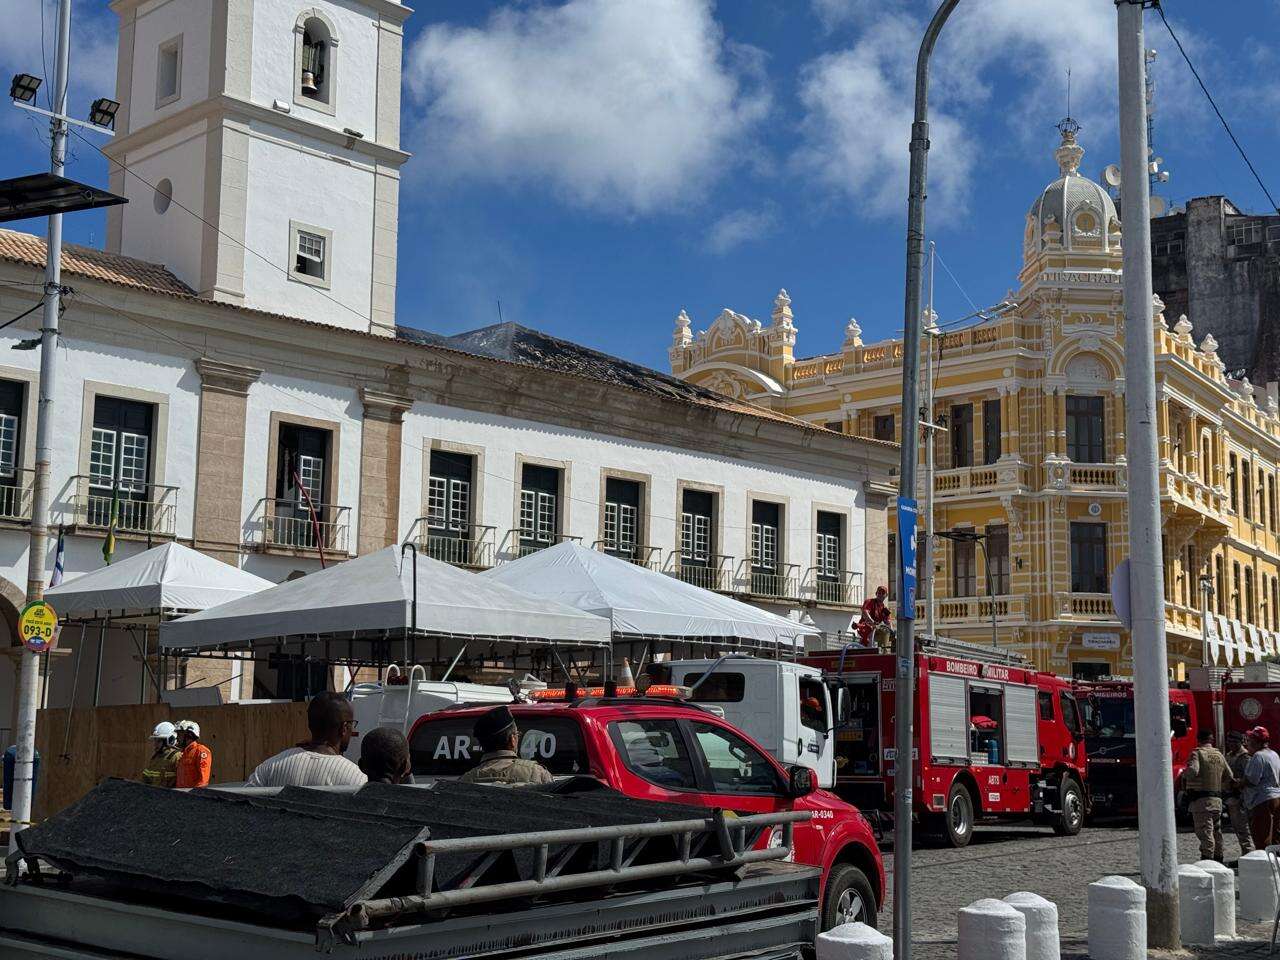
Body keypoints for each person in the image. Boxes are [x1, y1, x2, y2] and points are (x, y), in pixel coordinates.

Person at [246, 692, 367, 787]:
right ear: (344, 728)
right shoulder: (356, 779)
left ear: (310, 724)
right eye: (352, 724)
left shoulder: (269, 767)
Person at [459, 705, 552, 786]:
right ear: (512, 739)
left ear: (482, 744)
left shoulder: (465, 780)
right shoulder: (537, 773)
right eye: (517, 734)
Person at [1184, 728, 1232, 862]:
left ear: (1198, 740)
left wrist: (1184, 773)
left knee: (1205, 831)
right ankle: (1219, 858)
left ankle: (1207, 860)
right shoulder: (1219, 755)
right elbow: (1230, 776)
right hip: (1217, 800)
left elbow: (1193, 771)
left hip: (1201, 801)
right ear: (1211, 740)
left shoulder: (1197, 753)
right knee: (1217, 831)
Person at [1243, 725, 1280, 849]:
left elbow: (1252, 780)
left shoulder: (1258, 756)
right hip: (1276, 797)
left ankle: (1264, 865)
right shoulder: (1274, 754)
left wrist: (1238, 782)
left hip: (1262, 800)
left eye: (1250, 740)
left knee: (1262, 838)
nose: (1248, 743)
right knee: (1275, 837)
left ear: (1256, 742)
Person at [1224, 730, 1255, 856]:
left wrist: (1237, 783)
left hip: (1242, 797)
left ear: (1240, 742)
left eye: (1233, 742)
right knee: (1238, 828)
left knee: (1244, 829)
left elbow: (1249, 778)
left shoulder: (1245, 757)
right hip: (1232, 797)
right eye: (1229, 742)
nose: (1231, 744)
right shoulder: (1230, 755)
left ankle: (1250, 855)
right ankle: (1245, 854)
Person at [141, 721, 181, 789]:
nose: (155, 744)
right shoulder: (155, 758)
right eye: (155, 741)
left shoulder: (176, 757)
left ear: (169, 741)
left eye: (159, 741)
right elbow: (146, 779)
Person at [174, 720, 213, 789]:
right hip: (180, 796)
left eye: (179, 735)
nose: (177, 738)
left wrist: (195, 797)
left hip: (192, 797)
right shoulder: (183, 754)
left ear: (189, 735)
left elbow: (203, 781)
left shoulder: (201, 751)